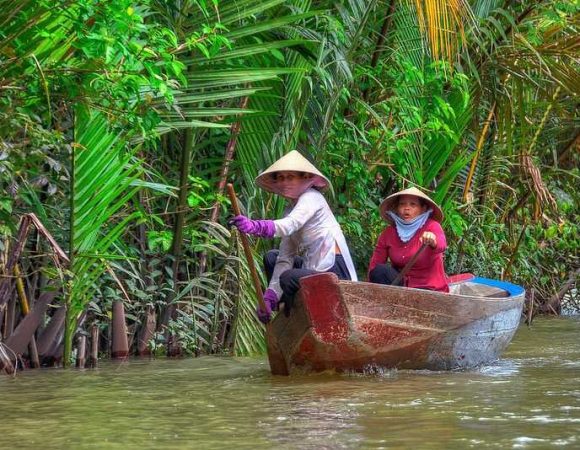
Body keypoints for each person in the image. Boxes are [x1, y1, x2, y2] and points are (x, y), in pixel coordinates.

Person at [230, 150, 358, 323]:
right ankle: (281, 308)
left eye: (290, 177)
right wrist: (271, 295)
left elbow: (290, 224)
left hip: (334, 272)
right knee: (272, 258)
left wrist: (254, 226)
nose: (284, 182)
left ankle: (294, 316)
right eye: (280, 178)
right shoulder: (289, 210)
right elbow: (285, 257)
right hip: (313, 270)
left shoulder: (312, 197)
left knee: (289, 277)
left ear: (305, 178)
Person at [368, 186, 449, 292]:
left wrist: (433, 240)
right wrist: (368, 290)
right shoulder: (389, 232)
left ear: (423, 209)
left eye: (413, 204)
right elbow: (376, 262)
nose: (407, 208)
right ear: (397, 208)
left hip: (429, 288)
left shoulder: (432, 226)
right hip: (401, 286)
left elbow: (442, 244)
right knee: (379, 271)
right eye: (402, 204)